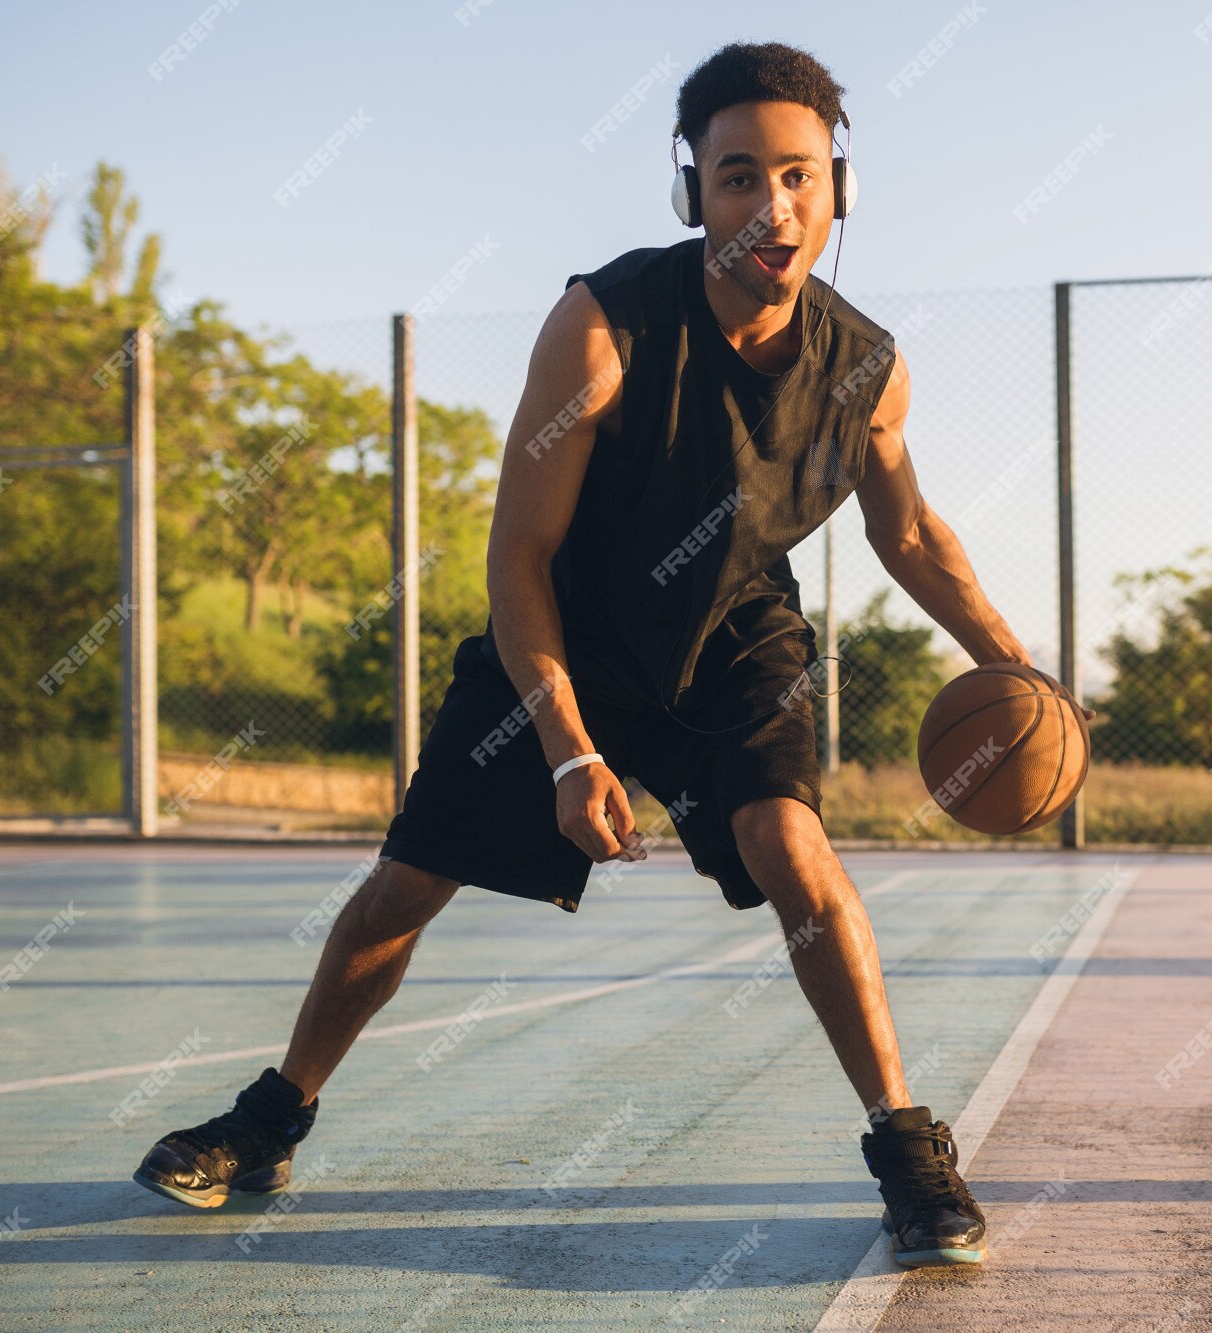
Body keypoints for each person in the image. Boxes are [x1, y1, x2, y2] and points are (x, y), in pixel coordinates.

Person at [134, 39, 1085, 1269]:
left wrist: (1018, 676)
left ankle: (906, 1150)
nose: (770, 204)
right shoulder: (603, 324)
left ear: (836, 190)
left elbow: (906, 531)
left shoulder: (865, 369)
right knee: (406, 884)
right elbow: (517, 559)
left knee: (790, 845)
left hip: (737, 632)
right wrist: (568, 750)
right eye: (737, 176)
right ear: (695, 193)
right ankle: (271, 1119)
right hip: (568, 630)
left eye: (796, 175)